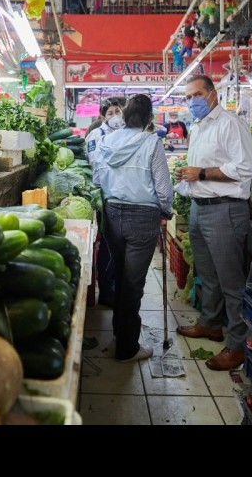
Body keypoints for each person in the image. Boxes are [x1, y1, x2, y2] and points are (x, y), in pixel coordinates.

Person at [174, 74, 252, 371]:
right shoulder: (198, 127)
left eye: (197, 95)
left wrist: (202, 173)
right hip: (200, 208)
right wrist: (188, 176)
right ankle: (210, 323)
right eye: (188, 97)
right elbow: (202, 168)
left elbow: (245, 168)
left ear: (213, 94)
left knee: (231, 281)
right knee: (207, 275)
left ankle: (237, 345)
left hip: (225, 210)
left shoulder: (230, 124)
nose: (192, 101)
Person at [95, 94, 174, 362]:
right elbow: (163, 188)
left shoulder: (106, 141)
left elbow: (97, 178)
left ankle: (120, 334)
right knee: (132, 284)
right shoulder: (152, 142)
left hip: (112, 214)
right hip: (142, 217)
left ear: (123, 117)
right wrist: (166, 210)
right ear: (149, 119)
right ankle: (127, 347)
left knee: (120, 277)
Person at [85, 96, 126, 307]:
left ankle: (117, 288)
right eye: (110, 113)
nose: (115, 116)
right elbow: (96, 163)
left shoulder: (127, 132)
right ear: (103, 117)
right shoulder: (96, 135)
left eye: (118, 111)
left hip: (124, 195)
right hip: (106, 195)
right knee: (109, 245)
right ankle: (107, 292)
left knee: (120, 246)